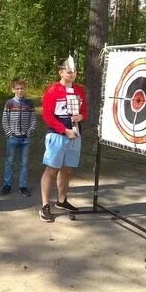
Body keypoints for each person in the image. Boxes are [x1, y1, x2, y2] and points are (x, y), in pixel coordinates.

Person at [39, 56, 88, 222]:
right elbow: (47, 115)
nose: (72, 74)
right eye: (69, 71)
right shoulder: (52, 90)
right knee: (51, 169)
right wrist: (64, 130)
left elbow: (84, 111)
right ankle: (45, 205)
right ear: (61, 72)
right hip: (57, 135)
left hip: (75, 135)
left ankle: (61, 200)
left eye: (74, 71)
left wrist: (81, 116)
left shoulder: (79, 90)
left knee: (67, 170)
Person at [1, 77, 36, 197]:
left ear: (25, 89)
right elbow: (5, 120)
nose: (20, 91)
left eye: (22, 88)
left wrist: (29, 131)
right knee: (9, 162)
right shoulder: (9, 103)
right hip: (12, 137)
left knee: (24, 163)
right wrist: (9, 134)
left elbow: (33, 119)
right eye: (17, 89)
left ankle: (23, 186)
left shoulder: (29, 104)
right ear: (13, 90)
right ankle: (7, 185)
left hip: (25, 138)